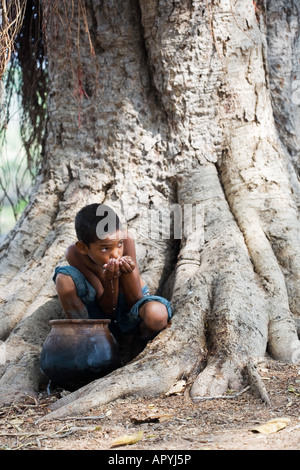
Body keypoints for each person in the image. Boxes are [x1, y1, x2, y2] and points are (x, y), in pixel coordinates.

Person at [53, 203, 172, 343]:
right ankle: (87, 339)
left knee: (156, 316)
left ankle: (137, 344)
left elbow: (135, 300)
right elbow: (108, 309)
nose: (116, 254)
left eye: (119, 244)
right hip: (99, 311)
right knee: (64, 280)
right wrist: (111, 280)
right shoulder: (75, 253)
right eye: (105, 249)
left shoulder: (127, 240)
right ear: (83, 247)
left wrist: (127, 274)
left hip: (130, 307)